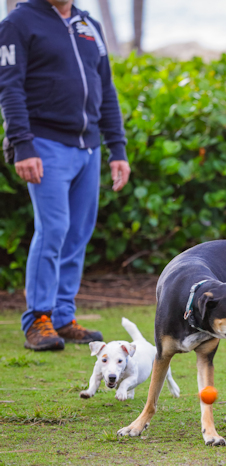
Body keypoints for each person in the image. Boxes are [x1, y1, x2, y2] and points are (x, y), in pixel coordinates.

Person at [0, 0, 130, 351]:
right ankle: (37, 319)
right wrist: (22, 145)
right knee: (53, 229)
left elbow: (106, 91)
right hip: (44, 144)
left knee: (77, 233)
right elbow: (9, 88)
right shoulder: (19, 22)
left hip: (87, 148)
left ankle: (62, 316)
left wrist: (117, 149)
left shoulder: (88, 25)